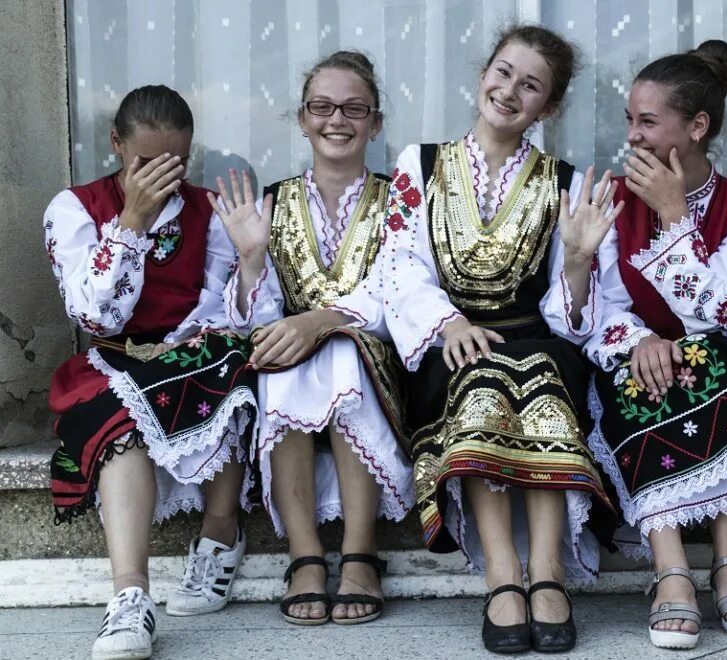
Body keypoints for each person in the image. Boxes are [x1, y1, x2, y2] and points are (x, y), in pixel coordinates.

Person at [337, 24, 622, 654]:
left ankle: (548, 574)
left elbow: (571, 314)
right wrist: (450, 324)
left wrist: (576, 260)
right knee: (480, 388)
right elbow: (400, 267)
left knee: (544, 388)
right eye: (502, 72)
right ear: (482, 75)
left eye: (530, 85)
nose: (509, 90)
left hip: (537, 338)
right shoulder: (422, 163)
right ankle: (501, 577)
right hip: (450, 344)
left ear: (547, 107)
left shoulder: (563, 181)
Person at [44, 85, 256, 660]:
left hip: (190, 349)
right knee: (118, 415)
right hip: (113, 356)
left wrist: (251, 257)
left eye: (175, 161)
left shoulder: (207, 211)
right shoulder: (75, 208)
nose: (161, 175)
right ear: (116, 144)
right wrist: (132, 221)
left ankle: (219, 535)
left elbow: (229, 313)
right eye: (145, 161)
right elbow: (94, 313)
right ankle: (130, 599)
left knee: (233, 373)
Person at [585, 41, 727, 650]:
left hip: (714, 357)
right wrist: (639, 339)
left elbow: (719, 311)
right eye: (629, 120)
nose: (632, 136)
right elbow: (598, 308)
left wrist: (672, 216)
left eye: (648, 121)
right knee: (646, 377)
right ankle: (671, 571)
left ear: (696, 127)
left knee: (707, 360)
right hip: (631, 358)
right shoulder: (610, 199)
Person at [214, 51, 413, 627]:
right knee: (278, 355)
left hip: (374, 359)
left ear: (375, 123)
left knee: (343, 351)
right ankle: (304, 554)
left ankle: (359, 553)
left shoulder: (398, 198)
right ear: (302, 119)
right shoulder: (271, 203)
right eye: (322, 107)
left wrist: (322, 321)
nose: (337, 120)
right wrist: (252, 260)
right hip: (297, 365)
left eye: (354, 108)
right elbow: (260, 316)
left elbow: (397, 291)